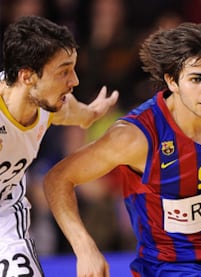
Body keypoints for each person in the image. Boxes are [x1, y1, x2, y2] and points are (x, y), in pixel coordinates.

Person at [43, 22, 201, 277]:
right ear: (172, 81)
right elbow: (58, 179)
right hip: (174, 263)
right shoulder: (135, 136)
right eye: (196, 79)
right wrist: (84, 247)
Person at [0, 15, 118, 277]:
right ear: (27, 76)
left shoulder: (48, 104)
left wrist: (93, 112)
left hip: (4, 213)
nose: (74, 80)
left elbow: (79, 114)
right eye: (64, 71)